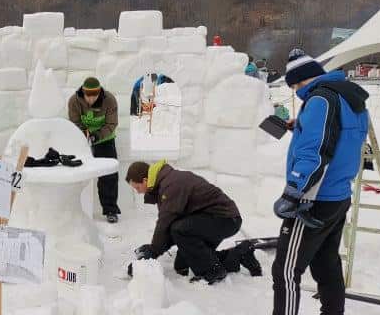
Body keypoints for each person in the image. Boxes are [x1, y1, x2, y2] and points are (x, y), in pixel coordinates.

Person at [236, 49, 368, 315]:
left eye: (295, 87)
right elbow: (340, 138)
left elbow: (315, 152)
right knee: (326, 266)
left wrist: (295, 193)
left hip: (313, 200)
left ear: (302, 80)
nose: (295, 92)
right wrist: (303, 125)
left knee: (285, 269)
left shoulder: (320, 101)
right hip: (338, 195)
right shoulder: (350, 97)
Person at [127, 160, 261, 283]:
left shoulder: (170, 185)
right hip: (211, 219)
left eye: (137, 188)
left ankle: (212, 271)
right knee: (183, 264)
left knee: (179, 230)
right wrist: (153, 250)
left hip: (225, 219)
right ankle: (240, 254)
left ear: (145, 180)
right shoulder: (165, 183)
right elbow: (169, 224)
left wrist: (153, 251)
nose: (138, 192)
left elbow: (165, 223)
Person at [68, 76, 121, 223]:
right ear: (83, 93)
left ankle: (110, 209)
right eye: (88, 96)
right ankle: (74, 208)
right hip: (81, 139)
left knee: (109, 174)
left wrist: (96, 136)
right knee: (77, 170)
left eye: (94, 96)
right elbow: (74, 121)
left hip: (105, 138)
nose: (91, 100)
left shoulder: (109, 100)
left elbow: (112, 123)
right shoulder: (74, 101)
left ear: (99, 93)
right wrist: (84, 133)